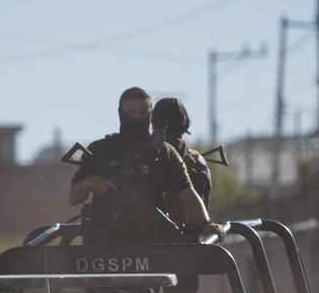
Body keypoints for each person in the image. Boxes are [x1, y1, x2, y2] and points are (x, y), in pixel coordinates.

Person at [68, 86, 225, 243]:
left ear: (150, 114)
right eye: (131, 113)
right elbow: (73, 197)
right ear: (121, 114)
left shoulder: (164, 152)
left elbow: (187, 194)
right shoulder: (99, 150)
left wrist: (206, 224)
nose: (137, 118)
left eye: (143, 113)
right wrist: (89, 182)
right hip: (104, 242)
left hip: (152, 243)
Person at [151, 97, 213, 224]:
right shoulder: (197, 161)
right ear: (184, 123)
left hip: (149, 238)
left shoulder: (142, 156)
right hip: (188, 238)